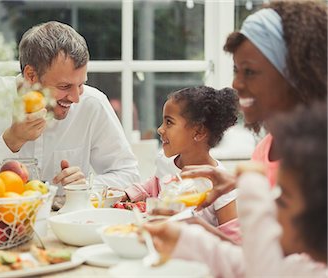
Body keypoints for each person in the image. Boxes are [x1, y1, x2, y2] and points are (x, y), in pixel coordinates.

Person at [144, 103, 327, 277]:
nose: (272, 208)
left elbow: (259, 266)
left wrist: (249, 181)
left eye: (282, 200)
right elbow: (241, 264)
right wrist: (183, 238)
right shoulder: (301, 264)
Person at [0, 21, 140, 188]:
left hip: (71, 221)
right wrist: (10, 141)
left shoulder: (92, 104)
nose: (76, 98)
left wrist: (88, 185)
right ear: (31, 75)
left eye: (81, 84)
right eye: (64, 86)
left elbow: (128, 174)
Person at [181, 0, 327, 206]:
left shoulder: (318, 161)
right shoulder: (265, 149)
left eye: (249, 71)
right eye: (236, 70)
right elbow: (262, 239)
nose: (236, 83)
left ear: (295, 76)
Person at [121, 86, 240, 240]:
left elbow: (232, 240)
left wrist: (197, 226)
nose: (160, 129)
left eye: (169, 122)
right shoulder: (165, 161)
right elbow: (156, 184)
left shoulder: (220, 184)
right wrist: (128, 194)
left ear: (198, 132)